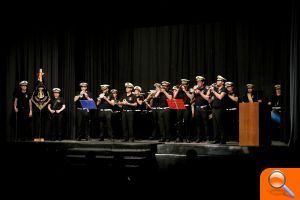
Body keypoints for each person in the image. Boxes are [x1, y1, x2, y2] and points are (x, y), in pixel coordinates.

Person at [210, 75, 227, 144]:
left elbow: (220, 97)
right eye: (217, 80)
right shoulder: (216, 89)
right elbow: (211, 99)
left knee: (220, 124)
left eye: (219, 80)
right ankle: (216, 139)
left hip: (220, 109)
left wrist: (213, 91)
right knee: (215, 125)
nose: (217, 81)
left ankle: (223, 140)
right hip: (214, 109)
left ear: (222, 82)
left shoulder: (224, 89)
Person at [192, 76, 210, 143]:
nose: (198, 83)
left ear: (203, 82)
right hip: (197, 108)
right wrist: (194, 91)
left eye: (199, 82)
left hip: (204, 108)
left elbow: (207, 98)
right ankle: (199, 138)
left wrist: (200, 92)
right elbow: (191, 98)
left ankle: (207, 138)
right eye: (197, 82)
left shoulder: (206, 88)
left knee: (205, 124)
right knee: (198, 124)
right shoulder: (196, 89)